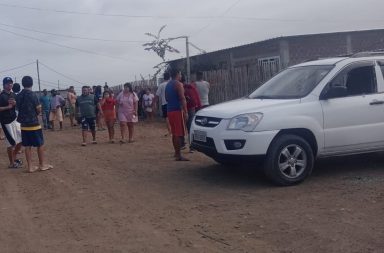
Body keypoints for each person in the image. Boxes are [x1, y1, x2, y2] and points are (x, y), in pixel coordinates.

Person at [16, 76, 53, 173]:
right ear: (32, 84)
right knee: (40, 144)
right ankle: (42, 165)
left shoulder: (19, 95)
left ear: (22, 84)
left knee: (27, 145)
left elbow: (17, 109)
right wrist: (35, 114)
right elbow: (39, 109)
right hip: (34, 124)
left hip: (23, 125)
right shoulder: (33, 95)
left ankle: (30, 167)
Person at [165, 69, 189, 161]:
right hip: (177, 111)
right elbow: (182, 98)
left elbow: (167, 98)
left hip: (169, 110)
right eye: (180, 74)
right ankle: (178, 155)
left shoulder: (168, 84)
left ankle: (176, 153)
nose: (181, 75)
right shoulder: (178, 84)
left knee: (174, 133)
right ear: (178, 74)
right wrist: (186, 111)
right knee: (179, 133)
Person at [0, 77, 23, 168]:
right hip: (6, 122)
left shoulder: (13, 94)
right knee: (10, 143)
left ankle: (14, 157)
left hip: (14, 120)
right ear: (4, 84)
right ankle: (11, 163)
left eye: (11, 83)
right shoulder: (1, 96)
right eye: (8, 83)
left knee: (21, 140)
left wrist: (15, 103)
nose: (10, 84)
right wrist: (8, 107)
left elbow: (17, 104)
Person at [182, 75, 201, 152]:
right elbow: (197, 97)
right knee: (190, 127)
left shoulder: (180, 88)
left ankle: (182, 144)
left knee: (182, 126)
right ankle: (191, 146)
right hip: (192, 108)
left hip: (183, 109)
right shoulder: (191, 87)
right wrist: (199, 107)